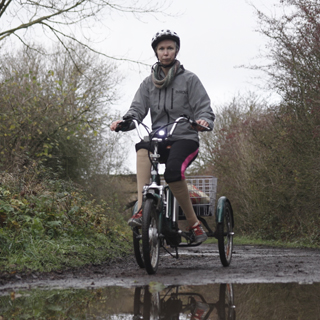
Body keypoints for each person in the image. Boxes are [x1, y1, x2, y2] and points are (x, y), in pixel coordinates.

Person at [110, 29, 215, 244]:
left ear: (176, 50)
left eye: (170, 48)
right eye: (161, 49)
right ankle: (142, 210)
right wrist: (125, 122)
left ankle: (194, 225)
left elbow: (204, 108)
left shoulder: (189, 80)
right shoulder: (148, 83)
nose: (166, 52)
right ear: (156, 52)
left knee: (174, 173)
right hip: (159, 137)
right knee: (142, 147)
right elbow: (137, 109)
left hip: (185, 137)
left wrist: (203, 121)